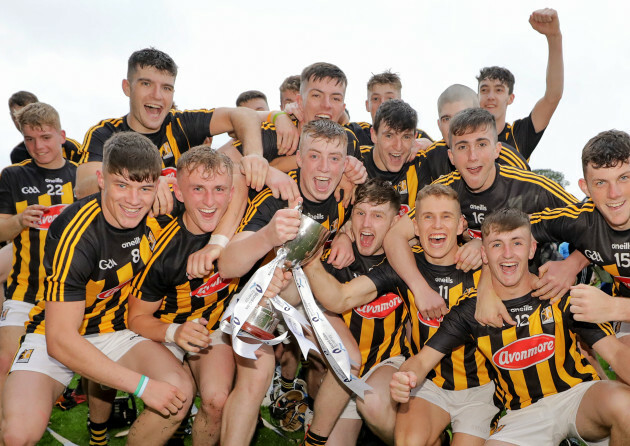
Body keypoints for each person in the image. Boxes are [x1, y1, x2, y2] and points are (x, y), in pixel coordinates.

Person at [1, 132, 192, 446]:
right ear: (102, 180)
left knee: (179, 392)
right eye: (122, 185)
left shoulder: (159, 215)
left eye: (145, 188)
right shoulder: (76, 232)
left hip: (113, 329)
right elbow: (61, 341)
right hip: (56, 333)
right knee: (17, 434)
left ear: (157, 186)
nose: (134, 201)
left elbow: (215, 194)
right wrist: (143, 386)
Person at [391, 208, 630, 446]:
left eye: (517, 243)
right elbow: (422, 361)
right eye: (496, 245)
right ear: (484, 254)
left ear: (531, 249)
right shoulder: (471, 308)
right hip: (523, 414)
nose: (507, 254)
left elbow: (617, 354)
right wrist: (406, 377)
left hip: (577, 398)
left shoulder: (559, 294)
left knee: (625, 405)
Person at [218, 119, 361, 446]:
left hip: (305, 301)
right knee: (255, 383)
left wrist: (347, 235)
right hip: (261, 301)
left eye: (335, 158)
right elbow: (227, 264)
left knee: (349, 363)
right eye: (314, 156)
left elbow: (357, 214)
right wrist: (268, 234)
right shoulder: (279, 197)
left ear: (345, 163)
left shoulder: (342, 192)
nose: (324, 168)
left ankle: (315, 439)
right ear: (298, 158)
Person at [383, 107, 579, 324]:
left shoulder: (533, 189)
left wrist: (571, 265)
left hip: (533, 301)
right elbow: (394, 236)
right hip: (470, 307)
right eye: (462, 147)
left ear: (497, 150)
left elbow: (592, 221)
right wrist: (420, 289)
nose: (472, 156)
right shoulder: (444, 192)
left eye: (482, 144)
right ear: (451, 157)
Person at [128, 147, 247, 445]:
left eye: (219, 189)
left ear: (231, 193)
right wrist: (174, 332)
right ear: (178, 193)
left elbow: (242, 161)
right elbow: (136, 318)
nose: (209, 201)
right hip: (160, 330)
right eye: (198, 189)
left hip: (211, 328)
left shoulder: (242, 227)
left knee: (217, 400)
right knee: (175, 398)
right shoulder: (162, 244)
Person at [481, 130, 630, 341]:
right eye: (600, 183)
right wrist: (485, 290)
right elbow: (502, 233)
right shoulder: (579, 219)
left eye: (624, 178)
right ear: (585, 187)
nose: (614, 193)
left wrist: (615, 307)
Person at [76, 47, 270, 201]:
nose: (157, 95)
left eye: (166, 88)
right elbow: (83, 188)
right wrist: (145, 183)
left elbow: (244, 115)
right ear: (127, 88)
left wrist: (254, 156)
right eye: (146, 84)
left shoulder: (179, 123)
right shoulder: (104, 132)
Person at [302, 179, 409, 445]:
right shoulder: (334, 255)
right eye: (360, 213)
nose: (367, 224)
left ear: (395, 222)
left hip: (386, 364)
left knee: (372, 401)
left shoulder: (407, 259)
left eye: (377, 215)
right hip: (341, 379)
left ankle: (423, 438)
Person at [0, 102, 77, 423]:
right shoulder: (14, 175)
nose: (38, 147)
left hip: (72, 297)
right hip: (23, 291)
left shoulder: (81, 174)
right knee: (5, 363)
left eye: (45, 137)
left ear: (61, 135)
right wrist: (19, 219)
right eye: (29, 139)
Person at [478, 8, 564, 160]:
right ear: (477, 96)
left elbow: (553, 96)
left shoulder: (519, 135)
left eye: (499, 90)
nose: (490, 96)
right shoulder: (463, 136)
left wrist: (554, 37)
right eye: (484, 90)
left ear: (510, 98)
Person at [421, 84, 529, 186]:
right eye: (447, 119)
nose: (454, 125)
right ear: (439, 124)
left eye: (461, 116)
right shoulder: (430, 156)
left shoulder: (508, 160)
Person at [358, 99, 428, 212]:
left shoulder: (422, 163)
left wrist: (430, 144)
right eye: (389, 136)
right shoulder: (356, 161)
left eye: (406, 137)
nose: (398, 146)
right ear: (374, 135)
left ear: (415, 138)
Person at [346, 71, 433, 150]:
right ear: (367, 105)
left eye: (390, 98)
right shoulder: (355, 132)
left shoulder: (418, 137)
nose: (382, 104)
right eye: (376, 99)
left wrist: (429, 146)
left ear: (400, 103)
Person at [8, 91, 81, 164]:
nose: (20, 121)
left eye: (26, 114)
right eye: (16, 117)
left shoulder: (71, 147)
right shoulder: (17, 155)